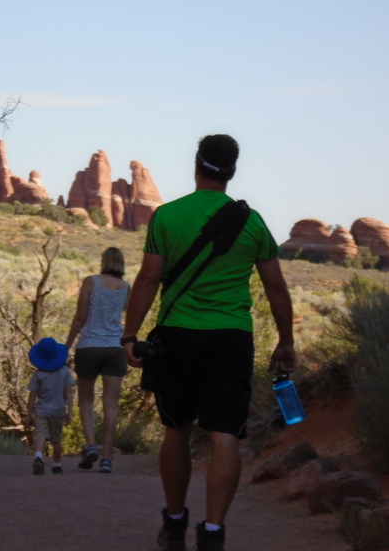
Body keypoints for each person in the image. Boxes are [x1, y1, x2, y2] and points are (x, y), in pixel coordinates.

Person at [121, 135, 297, 551]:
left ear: (197, 166)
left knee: (176, 429)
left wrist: (129, 335)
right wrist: (286, 340)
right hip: (231, 337)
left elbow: (149, 278)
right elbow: (275, 286)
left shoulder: (167, 216)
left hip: (177, 335)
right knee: (225, 435)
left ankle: (175, 523)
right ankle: (214, 532)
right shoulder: (252, 223)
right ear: (231, 172)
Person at [65, 247, 130, 473]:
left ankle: (91, 445)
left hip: (89, 346)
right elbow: (121, 314)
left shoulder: (91, 282)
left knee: (86, 400)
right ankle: (107, 457)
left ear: (104, 261)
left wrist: (66, 345)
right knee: (111, 403)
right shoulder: (126, 287)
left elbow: (80, 317)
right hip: (115, 348)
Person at [26, 337, 75, 475]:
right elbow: (69, 391)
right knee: (56, 439)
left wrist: (29, 415)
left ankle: (38, 457)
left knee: (40, 435)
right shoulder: (64, 371)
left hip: (41, 411)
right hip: (58, 411)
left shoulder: (39, 374)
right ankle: (57, 465)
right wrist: (70, 412)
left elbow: (32, 395)